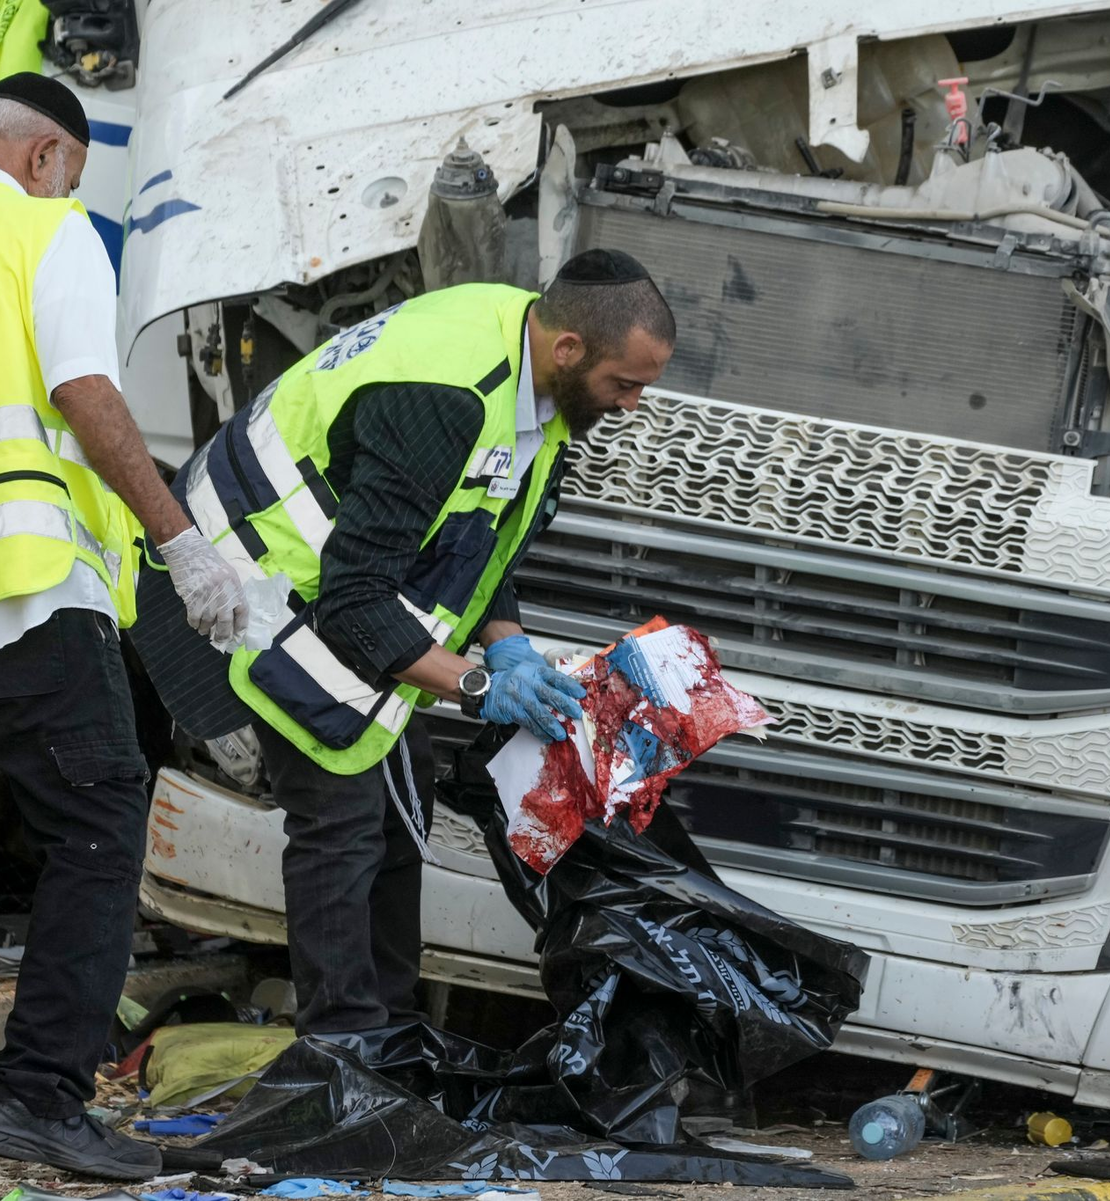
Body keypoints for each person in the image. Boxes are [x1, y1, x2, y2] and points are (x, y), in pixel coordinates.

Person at [131, 249, 675, 1042]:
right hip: (242, 577)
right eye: (623, 383)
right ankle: (344, 1049)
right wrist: (478, 686)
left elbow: (481, 535)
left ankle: (390, 1031)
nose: (631, 404)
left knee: (401, 797)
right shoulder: (445, 396)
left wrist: (510, 645)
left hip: (329, 581)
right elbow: (353, 599)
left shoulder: (533, 377)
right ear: (568, 349)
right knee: (341, 815)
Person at [0, 73, 248, 1178]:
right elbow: (84, 389)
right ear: (45, 156)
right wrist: (179, 540)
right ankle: (38, 1095)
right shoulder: (43, 226)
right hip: (28, 581)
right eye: (75, 174)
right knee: (98, 816)